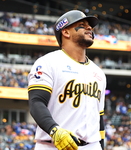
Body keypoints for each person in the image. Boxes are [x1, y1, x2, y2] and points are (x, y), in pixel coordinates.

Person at [28, 10, 107, 150]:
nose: (89, 28)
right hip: (53, 145)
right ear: (66, 32)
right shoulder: (48, 63)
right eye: (82, 25)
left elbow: (99, 118)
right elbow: (37, 102)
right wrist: (54, 130)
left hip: (92, 146)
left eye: (90, 26)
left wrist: (101, 146)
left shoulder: (98, 72)